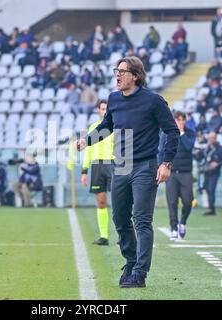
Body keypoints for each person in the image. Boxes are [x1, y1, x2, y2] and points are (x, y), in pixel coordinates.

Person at [75, 56, 179, 288]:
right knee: (120, 219)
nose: (117, 75)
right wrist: (87, 141)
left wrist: (166, 163)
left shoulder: (154, 101)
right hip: (120, 166)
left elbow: (172, 132)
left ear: (136, 75)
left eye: (122, 71)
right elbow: (107, 126)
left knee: (141, 220)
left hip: (145, 166)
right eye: (116, 71)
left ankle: (140, 274)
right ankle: (131, 262)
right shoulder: (113, 99)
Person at [80, 100, 114, 246]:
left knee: (122, 202)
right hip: (97, 166)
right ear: (99, 111)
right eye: (102, 109)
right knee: (101, 201)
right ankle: (104, 236)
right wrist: (84, 170)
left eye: (107, 109)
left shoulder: (116, 126)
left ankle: (124, 235)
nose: (104, 111)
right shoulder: (93, 128)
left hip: (114, 164)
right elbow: (88, 150)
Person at [159, 111, 196, 240]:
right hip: (172, 172)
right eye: (178, 120)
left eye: (182, 120)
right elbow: (161, 151)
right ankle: (174, 228)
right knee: (172, 202)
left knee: (188, 201)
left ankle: (183, 222)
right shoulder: (166, 133)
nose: (181, 122)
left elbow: (189, 147)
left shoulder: (190, 133)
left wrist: (181, 134)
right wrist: (160, 167)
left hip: (186, 172)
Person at [201, 132, 222, 216]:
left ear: (215, 138)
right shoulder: (208, 148)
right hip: (207, 172)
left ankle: (211, 208)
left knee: (211, 189)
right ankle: (210, 207)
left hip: (215, 173)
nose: (210, 139)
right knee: (206, 189)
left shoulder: (219, 148)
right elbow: (205, 158)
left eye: (212, 138)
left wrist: (217, 164)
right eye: (209, 138)